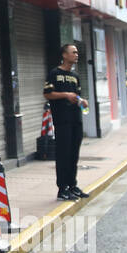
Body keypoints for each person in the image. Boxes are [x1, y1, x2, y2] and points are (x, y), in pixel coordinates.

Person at [44, 43, 88, 201]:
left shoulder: (75, 76)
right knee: (63, 154)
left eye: (77, 52)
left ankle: (72, 185)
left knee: (74, 154)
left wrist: (82, 101)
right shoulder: (54, 73)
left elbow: (76, 95)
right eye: (73, 52)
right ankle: (62, 188)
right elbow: (48, 94)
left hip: (76, 119)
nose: (76, 55)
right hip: (62, 120)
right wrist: (65, 95)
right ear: (64, 55)